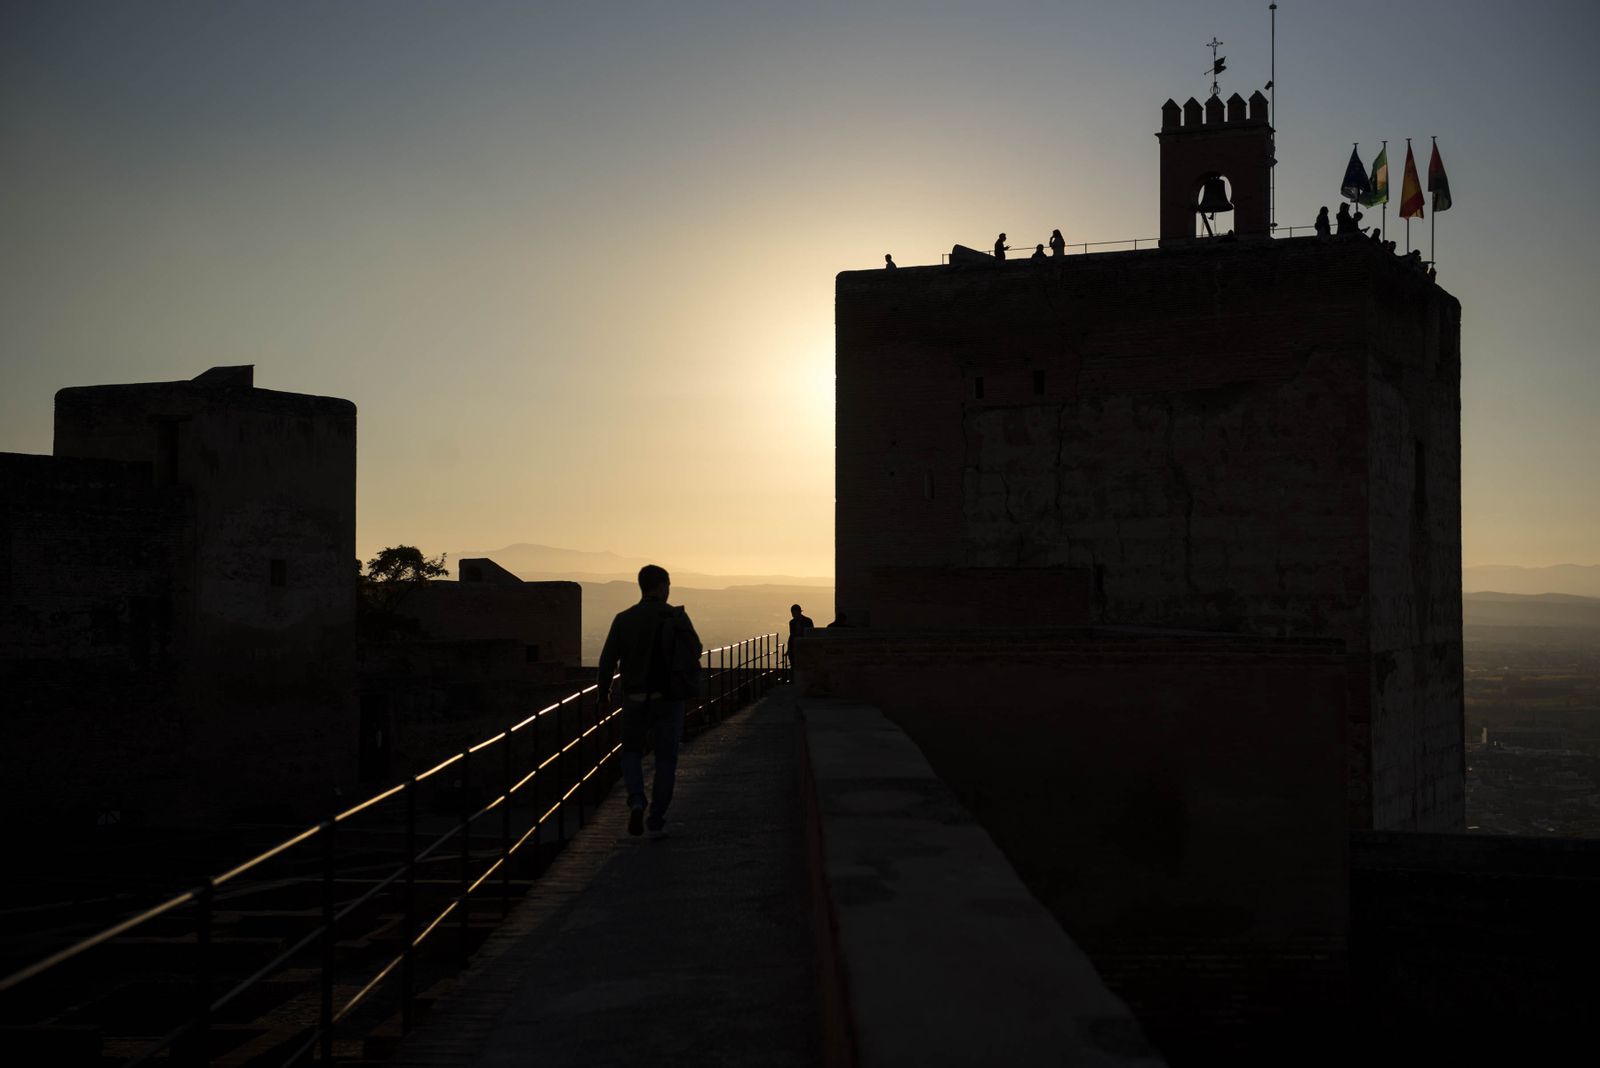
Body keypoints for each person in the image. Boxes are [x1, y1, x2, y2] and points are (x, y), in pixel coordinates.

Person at [597, 564, 701, 838]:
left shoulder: (624, 619)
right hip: (668, 699)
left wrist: (603, 694)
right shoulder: (676, 616)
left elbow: (607, 661)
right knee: (666, 759)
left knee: (631, 752)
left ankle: (636, 799)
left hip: (633, 698)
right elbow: (695, 650)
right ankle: (656, 819)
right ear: (663, 586)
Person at [786, 604, 814, 682]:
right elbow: (792, 635)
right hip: (794, 646)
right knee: (793, 664)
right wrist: (789, 648)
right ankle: (794, 681)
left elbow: (810, 634)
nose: (793, 615)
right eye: (792, 613)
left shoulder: (808, 621)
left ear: (798, 612)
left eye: (794, 613)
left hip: (804, 647)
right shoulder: (792, 622)